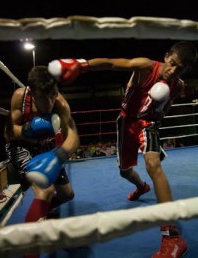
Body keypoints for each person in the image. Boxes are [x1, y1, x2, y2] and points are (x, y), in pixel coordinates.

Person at [48, 41, 198, 258]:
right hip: (126, 122)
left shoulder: (179, 85)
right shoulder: (146, 66)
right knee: (125, 171)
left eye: (180, 69)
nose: (173, 71)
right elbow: (111, 64)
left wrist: (158, 111)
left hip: (148, 124)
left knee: (153, 165)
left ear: (186, 70)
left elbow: (165, 110)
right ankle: (141, 186)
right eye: (172, 64)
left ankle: (172, 237)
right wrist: (82, 65)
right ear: (166, 56)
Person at [4, 65, 79, 258]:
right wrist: (29, 129)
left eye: (53, 94)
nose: (50, 101)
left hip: (47, 149)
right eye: (43, 97)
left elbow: (73, 135)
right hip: (21, 146)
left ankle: (41, 212)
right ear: (32, 92)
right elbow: (8, 134)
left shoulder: (61, 103)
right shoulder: (20, 98)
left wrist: (59, 155)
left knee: (67, 195)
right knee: (45, 189)